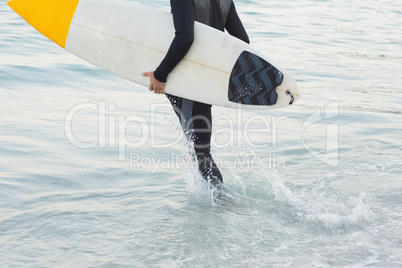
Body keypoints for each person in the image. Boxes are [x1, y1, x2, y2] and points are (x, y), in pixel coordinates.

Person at [143, 0, 249, 190]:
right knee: (198, 149)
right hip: (205, 81)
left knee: (200, 152)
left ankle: (221, 203)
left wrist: (160, 74)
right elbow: (242, 43)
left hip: (187, 81)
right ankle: (207, 206)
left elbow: (185, 38)